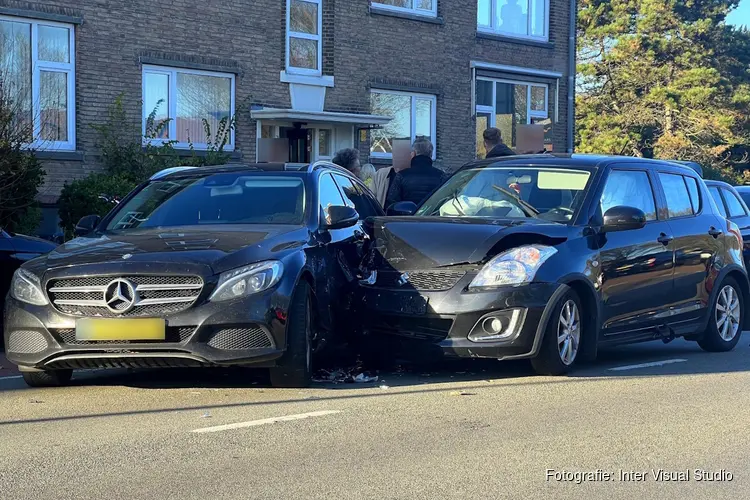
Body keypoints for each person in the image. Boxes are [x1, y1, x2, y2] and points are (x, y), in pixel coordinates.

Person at [385, 137, 446, 209]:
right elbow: (446, 201)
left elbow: (392, 204)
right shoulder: (441, 176)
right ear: (431, 155)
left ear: (413, 154)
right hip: (432, 218)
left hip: (407, 218)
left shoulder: (402, 175)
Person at [371, 139, 411, 207]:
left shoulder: (412, 176)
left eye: (402, 154)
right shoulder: (380, 175)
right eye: (396, 153)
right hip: (383, 216)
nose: (399, 157)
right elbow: (371, 198)